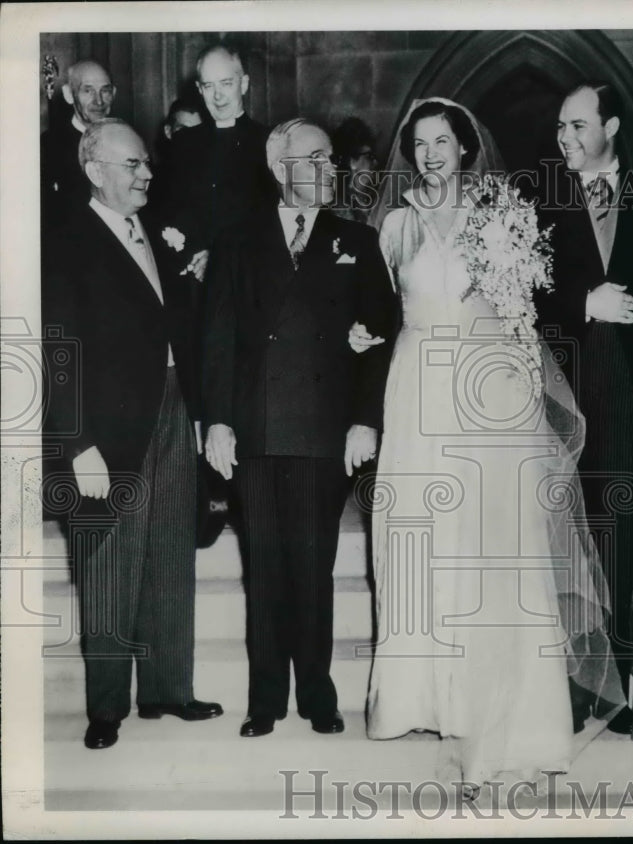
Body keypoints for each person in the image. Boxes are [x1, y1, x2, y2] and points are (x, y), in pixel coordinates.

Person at [359, 98, 624, 797]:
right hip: (416, 395)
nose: (431, 153)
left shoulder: (501, 215)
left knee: (494, 555)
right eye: (419, 143)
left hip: (490, 396)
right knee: (426, 548)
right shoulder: (394, 225)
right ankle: (443, 710)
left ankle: (510, 724)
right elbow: (375, 311)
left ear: (467, 147)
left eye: (443, 141)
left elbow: (520, 315)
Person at [201, 118, 398, 739]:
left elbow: (381, 338)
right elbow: (218, 341)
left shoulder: (356, 241)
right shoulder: (237, 241)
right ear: (279, 166)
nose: (329, 168)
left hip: (324, 429)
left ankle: (317, 693)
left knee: (313, 566)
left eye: (330, 158)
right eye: (314, 158)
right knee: (263, 565)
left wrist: (366, 420)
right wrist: (217, 422)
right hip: (255, 430)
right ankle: (265, 701)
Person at [42, 118, 221, 750]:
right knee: (111, 563)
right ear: (94, 171)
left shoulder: (157, 227)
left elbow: (171, 322)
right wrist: (77, 444)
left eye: (146, 163)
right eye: (132, 166)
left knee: (171, 552)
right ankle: (107, 708)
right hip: (108, 428)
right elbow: (57, 352)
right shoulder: (63, 239)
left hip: (173, 406)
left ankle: (169, 690)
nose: (147, 174)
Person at [535, 82, 633, 734]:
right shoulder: (541, 200)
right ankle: (579, 686)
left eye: (578, 125)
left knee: (623, 537)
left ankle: (627, 685)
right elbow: (523, 292)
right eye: (560, 126)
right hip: (566, 387)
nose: (566, 138)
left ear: (610, 125)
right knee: (566, 540)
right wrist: (587, 303)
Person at [164, 43, 273, 282]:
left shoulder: (270, 143)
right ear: (199, 90)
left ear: (243, 84)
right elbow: (170, 210)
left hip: (248, 278)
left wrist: (221, 258)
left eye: (226, 83)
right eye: (208, 86)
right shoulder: (183, 144)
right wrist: (195, 253)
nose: (218, 96)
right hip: (192, 277)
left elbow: (271, 223)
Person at [40, 60, 116, 233]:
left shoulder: (126, 140)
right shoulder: (49, 146)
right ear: (69, 94)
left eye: (105, 90)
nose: (99, 101)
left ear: (114, 93)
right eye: (87, 90)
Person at [330, 116, 379, 224]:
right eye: (369, 156)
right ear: (352, 161)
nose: (375, 163)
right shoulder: (339, 207)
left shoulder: (372, 196)